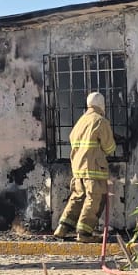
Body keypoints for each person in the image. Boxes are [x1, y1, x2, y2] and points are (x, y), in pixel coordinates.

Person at [54, 91, 117, 242]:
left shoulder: (80, 121)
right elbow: (109, 148)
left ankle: (62, 228)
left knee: (77, 197)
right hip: (94, 168)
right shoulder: (100, 121)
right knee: (94, 199)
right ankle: (84, 233)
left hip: (78, 168)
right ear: (102, 105)